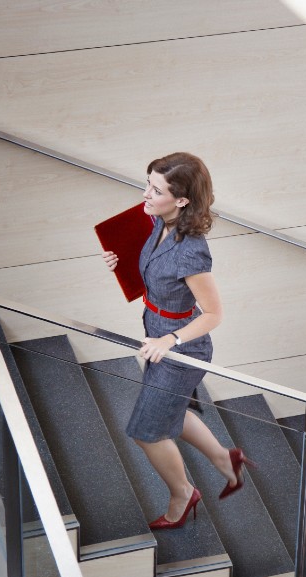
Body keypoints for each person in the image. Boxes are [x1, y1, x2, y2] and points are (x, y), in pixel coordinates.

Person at [102, 152, 252, 530]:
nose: (145, 195)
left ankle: (183, 494)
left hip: (181, 348)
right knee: (172, 411)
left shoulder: (192, 252)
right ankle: (224, 459)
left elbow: (214, 314)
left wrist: (169, 340)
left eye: (155, 190)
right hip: (159, 338)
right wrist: (121, 261)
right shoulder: (159, 220)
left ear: (182, 200)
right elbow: (155, 268)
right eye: (147, 184)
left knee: (146, 432)